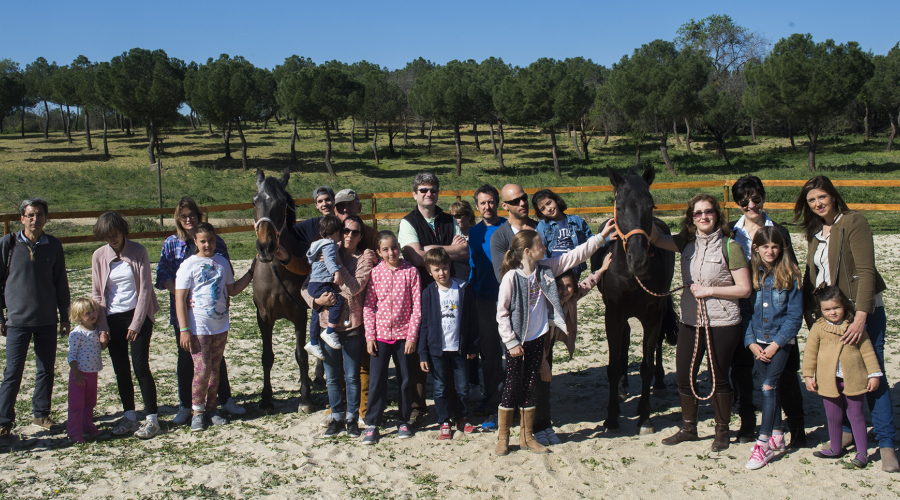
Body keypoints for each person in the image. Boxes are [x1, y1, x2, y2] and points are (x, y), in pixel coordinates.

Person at [794, 175, 897, 472]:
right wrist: (809, 311)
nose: (817, 204)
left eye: (821, 197)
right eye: (811, 200)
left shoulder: (854, 222)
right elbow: (813, 275)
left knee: (872, 374)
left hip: (863, 313)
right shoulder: (815, 232)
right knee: (839, 376)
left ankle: (887, 443)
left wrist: (863, 315)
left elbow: (866, 271)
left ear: (833, 195)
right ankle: (852, 432)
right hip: (832, 316)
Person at [650, 194, 751, 452]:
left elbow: (744, 289)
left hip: (723, 322)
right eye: (698, 213)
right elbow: (657, 239)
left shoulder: (731, 247)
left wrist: (710, 291)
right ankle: (688, 428)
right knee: (684, 377)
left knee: (719, 379)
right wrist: (642, 211)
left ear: (716, 215)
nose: (703, 217)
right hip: (690, 321)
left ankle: (721, 430)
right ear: (691, 218)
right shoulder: (686, 243)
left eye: (708, 212)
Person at [495, 229, 606, 456]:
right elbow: (502, 313)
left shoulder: (546, 270)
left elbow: (575, 256)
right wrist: (511, 341)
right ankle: (503, 437)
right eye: (540, 245)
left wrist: (601, 236)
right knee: (511, 387)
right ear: (527, 251)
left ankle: (527, 437)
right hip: (517, 342)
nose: (544, 248)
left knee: (530, 387)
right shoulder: (511, 277)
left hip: (538, 339)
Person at [729, 175, 805, 447]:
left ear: (763, 198)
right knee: (741, 368)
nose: (751, 205)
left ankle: (796, 427)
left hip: (778, 311)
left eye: (755, 199)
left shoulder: (779, 232)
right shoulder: (730, 232)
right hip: (743, 310)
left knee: (785, 370)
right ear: (737, 203)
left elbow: (792, 272)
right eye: (744, 201)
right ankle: (748, 423)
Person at [156, 197, 246, 424]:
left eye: (192, 215)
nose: (188, 219)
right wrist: (182, 297)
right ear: (178, 219)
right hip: (187, 313)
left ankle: (220, 402)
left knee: (215, 362)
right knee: (189, 360)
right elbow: (163, 275)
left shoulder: (219, 244)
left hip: (215, 317)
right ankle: (188, 406)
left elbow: (226, 279)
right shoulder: (171, 244)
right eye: (184, 216)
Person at [398, 172, 468, 425]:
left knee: (449, 347)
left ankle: (453, 407)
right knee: (422, 345)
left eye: (434, 190)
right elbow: (415, 259)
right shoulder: (407, 223)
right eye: (424, 190)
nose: (430, 194)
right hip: (422, 293)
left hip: (450, 292)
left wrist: (428, 249)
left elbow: (463, 250)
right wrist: (446, 250)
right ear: (414, 193)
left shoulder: (449, 219)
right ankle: (418, 405)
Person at [0, 198, 70, 440]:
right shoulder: (8, 244)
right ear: (22, 218)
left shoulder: (53, 245)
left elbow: (61, 282)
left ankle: (41, 414)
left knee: (45, 370)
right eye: (30, 215)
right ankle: (4, 421)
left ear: (45, 218)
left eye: (39, 215)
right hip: (17, 321)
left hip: (47, 319)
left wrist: (64, 315)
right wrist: (1, 315)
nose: (35, 219)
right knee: (13, 372)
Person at [301, 216, 376, 438]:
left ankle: (352, 418)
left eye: (355, 232)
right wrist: (316, 302)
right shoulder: (324, 254)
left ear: (361, 236)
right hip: (326, 328)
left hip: (352, 326)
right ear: (339, 232)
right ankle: (336, 417)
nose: (349, 235)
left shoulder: (364, 258)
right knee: (332, 377)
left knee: (352, 376)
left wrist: (337, 264)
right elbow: (306, 286)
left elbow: (354, 288)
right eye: (346, 231)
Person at [175, 223, 254, 432]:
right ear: (196, 242)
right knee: (201, 370)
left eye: (210, 240)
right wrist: (184, 329)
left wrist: (251, 272)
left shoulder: (222, 263)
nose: (207, 244)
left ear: (215, 239)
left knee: (215, 369)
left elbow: (233, 290)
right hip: (198, 326)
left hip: (220, 326)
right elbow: (180, 299)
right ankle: (197, 412)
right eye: (202, 241)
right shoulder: (188, 265)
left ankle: (212, 409)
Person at [91, 212, 162, 439]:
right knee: (121, 369)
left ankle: (152, 419)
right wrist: (102, 327)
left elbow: (145, 291)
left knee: (140, 366)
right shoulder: (99, 256)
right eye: (107, 236)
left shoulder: (138, 251)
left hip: (138, 316)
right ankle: (130, 416)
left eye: (115, 234)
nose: (112, 238)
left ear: (123, 231)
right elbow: (97, 295)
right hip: (112, 318)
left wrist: (137, 323)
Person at [534, 254, 612, 447]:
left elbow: (587, 284)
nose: (565, 291)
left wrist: (601, 270)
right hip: (535, 345)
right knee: (537, 386)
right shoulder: (545, 301)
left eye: (569, 286)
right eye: (560, 286)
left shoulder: (572, 296)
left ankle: (544, 425)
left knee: (545, 385)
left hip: (548, 345)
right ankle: (537, 428)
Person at [742, 228, 803, 470]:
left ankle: (763, 442)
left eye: (775, 246)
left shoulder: (791, 274)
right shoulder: (751, 274)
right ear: (756, 248)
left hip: (781, 343)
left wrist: (777, 344)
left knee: (769, 387)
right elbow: (745, 312)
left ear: (781, 248)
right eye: (765, 247)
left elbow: (794, 317)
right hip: (757, 342)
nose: (770, 251)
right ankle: (777, 433)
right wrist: (751, 342)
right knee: (768, 386)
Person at [803, 286, 882, 469]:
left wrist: (874, 374)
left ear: (844, 306)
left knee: (856, 415)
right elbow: (810, 353)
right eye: (827, 309)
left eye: (836, 308)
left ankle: (862, 453)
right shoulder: (818, 328)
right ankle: (835, 448)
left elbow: (868, 351)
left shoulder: (854, 326)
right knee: (833, 415)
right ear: (820, 310)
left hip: (854, 377)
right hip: (827, 379)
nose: (832, 312)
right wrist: (808, 375)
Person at [483, 183, 537, 431]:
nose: (522, 203)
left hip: (538, 308)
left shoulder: (538, 228)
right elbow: (500, 274)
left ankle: (533, 413)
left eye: (524, 198)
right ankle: (503, 411)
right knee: (506, 361)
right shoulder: (499, 237)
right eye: (515, 201)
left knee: (538, 362)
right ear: (504, 206)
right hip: (512, 308)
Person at [362, 231, 421, 445]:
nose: (391, 252)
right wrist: (370, 336)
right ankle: (372, 423)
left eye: (394, 247)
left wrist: (412, 336)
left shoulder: (411, 272)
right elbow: (369, 306)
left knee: (405, 380)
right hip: (380, 337)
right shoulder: (376, 274)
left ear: (399, 247)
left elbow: (417, 308)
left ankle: (403, 419)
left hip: (404, 337)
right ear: (379, 252)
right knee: (377, 380)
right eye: (385, 249)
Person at [418, 248, 479, 440]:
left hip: (460, 348)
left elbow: (472, 320)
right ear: (430, 272)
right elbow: (424, 324)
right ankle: (444, 421)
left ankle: (461, 418)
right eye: (436, 270)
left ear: (450, 266)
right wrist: (423, 353)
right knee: (440, 387)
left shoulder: (462, 288)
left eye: (444, 268)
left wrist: (473, 346)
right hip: (437, 350)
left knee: (462, 387)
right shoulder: (428, 293)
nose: (441, 273)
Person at [468, 184, 507, 430]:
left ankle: (508, 400)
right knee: (490, 354)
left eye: (491, 201)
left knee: (511, 351)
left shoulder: (508, 227)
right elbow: (474, 264)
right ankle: (492, 400)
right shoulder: (473, 232)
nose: (487, 206)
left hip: (508, 297)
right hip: (483, 297)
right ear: (477, 205)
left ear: (498, 203)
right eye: (482, 203)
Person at [304, 215, 348, 360]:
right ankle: (329, 331)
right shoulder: (329, 245)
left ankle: (313, 341)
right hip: (320, 283)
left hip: (313, 283)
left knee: (317, 311)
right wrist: (336, 272)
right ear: (337, 232)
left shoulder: (317, 245)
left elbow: (311, 260)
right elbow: (329, 260)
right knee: (338, 301)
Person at [448, 199, 478, 401]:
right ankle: (461, 382)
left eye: (460, 215)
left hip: (474, 286)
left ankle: (475, 382)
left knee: (474, 337)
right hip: (456, 289)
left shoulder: (476, 234)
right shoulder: (452, 237)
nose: (457, 219)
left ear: (469, 215)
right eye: (454, 216)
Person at [66, 298, 108, 443]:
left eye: (94, 310)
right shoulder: (77, 333)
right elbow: (71, 354)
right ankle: (74, 432)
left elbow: (101, 348)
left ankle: (87, 425)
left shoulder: (97, 329)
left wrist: (104, 342)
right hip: (79, 373)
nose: (92, 314)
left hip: (93, 371)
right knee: (76, 403)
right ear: (78, 316)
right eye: (87, 313)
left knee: (90, 401)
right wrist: (75, 372)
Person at [533, 189, 594, 275]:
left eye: (549, 203)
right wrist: (546, 271)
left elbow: (591, 240)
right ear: (541, 213)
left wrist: (606, 237)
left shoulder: (577, 221)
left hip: (574, 265)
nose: (548, 209)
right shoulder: (543, 225)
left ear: (556, 200)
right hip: (556, 268)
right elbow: (542, 249)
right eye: (543, 209)